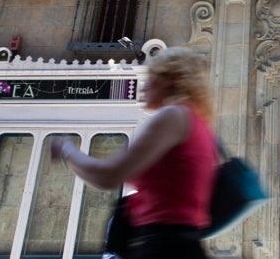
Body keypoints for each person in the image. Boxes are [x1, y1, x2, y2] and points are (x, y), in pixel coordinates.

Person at [51, 46, 217, 259]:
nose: (144, 87)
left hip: (160, 248)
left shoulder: (173, 116)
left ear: (167, 80)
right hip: (180, 245)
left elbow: (108, 175)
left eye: (151, 78)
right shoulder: (198, 124)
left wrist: (67, 150)